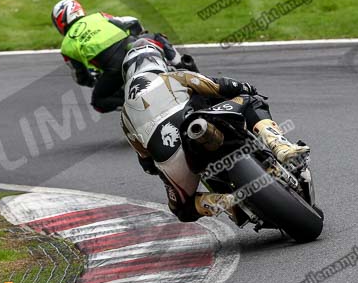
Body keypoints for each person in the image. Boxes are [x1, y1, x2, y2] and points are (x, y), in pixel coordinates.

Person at [119, 38, 309, 225]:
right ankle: (280, 146)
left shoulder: (125, 117)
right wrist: (247, 88)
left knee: (182, 209)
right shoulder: (171, 77)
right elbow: (218, 85)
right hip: (197, 122)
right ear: (159, 61)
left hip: (172, 158)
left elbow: (146, 163)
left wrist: (161, 166)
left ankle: (226, 203)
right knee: (251, 100)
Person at [51, 0, 195, 113]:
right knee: (157, 38)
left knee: (99, 101)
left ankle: (137, 106)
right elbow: (132, 21)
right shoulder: (98, 16)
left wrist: (94, 81)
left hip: (114, 69)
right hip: (132, 45)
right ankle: (190, 72)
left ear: (61, 21)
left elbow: (80, 77)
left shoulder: (67, 46)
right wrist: (139, 34)